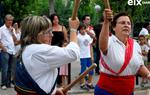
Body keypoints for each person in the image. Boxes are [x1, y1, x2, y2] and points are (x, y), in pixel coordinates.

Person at [14, 16, 80, 95]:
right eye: (48, 32)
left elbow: (39, 78)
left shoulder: (27, 49)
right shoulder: (39, 50)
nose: (52, 35)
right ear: (36, 34)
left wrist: (54, 91)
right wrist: (73, 29)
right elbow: (73, 53)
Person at [94, 9, 150, 95]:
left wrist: (148, 75)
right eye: (122, 23)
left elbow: (139, 65)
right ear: (114, 27)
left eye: (128, 23)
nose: (126, 25)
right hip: (107, 92)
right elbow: (102, 46)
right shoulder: (108, 41)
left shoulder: (135, 45)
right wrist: (106, 22)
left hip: (128, 92)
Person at [50, 14, 69, 86]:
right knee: (54, 66)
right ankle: (54, 81)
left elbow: (66, 39)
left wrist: (65, 44)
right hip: (52, 49)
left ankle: (61, 82)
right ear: (52, 20)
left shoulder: (62, 27)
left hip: (61, 49)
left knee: (61, 66)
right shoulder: (50, 28)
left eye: (57, 19)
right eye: (54, 19)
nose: (56, 21)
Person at [0, 14, 16, 90]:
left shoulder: (12, 29)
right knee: (5, 68)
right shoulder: (1, 29)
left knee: (10, 68)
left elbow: (15, 40)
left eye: (11, 20)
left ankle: (8, 83)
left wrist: (12, 32)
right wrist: (3, 48)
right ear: (5, 20)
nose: (10, 22)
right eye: (9, 20)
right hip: (5, 51)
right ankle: (3, 84)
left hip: (12, 51)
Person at [77, 23, 95, 90]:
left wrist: (92, 55)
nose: (83, 30)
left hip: (88, 56)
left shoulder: (88, 36)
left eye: (84, 29)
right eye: (81, 29)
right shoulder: (78, 37)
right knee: (83, 71)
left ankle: (89, 83)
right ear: (79, 30)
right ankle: (82, 84)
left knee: (91, 70)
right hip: (82, 56)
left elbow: (90, 46)